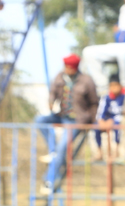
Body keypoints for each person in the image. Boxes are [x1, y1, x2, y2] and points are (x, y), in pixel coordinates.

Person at [35, 54, 99, 195]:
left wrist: (91, 122)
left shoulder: (86, 81)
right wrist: (51, 101)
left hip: (77, 120)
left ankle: (49, 181)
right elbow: (53, 92)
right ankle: (53, 150)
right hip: (62, 116)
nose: (67, 70)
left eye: (70, 68)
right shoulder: (60, 77)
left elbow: (94, 102)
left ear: (75, 68)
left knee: (63, 147)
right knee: (40, 120)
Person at [94, 74, 125, 160]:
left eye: (116, 85)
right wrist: (101, 121)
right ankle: (99, 151)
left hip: (118, 121)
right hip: (107, 121)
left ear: (120, 86)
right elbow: (100, 112)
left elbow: (124, 113)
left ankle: (116, 151)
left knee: (118, 127)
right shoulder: (106, 98)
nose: (114, 88)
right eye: (111, 85)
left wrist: (112, 120)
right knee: (96, 127)